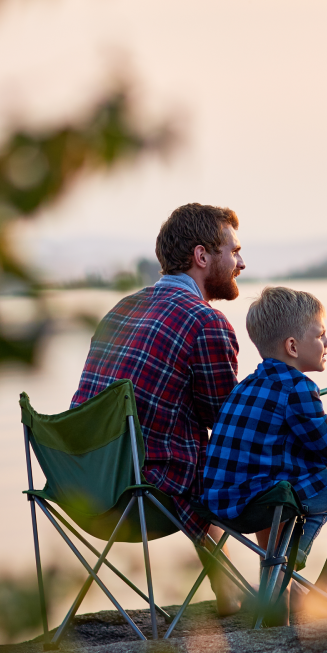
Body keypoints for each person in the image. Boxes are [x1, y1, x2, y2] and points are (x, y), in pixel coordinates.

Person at [71, 203, 245, 615]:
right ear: (202, 257)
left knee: (188, 451)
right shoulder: (206, 322)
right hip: (142, 497)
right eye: (234, 251)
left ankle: (230, 589)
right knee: (241, 457)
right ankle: (273, 591)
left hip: (82, 487)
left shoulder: (121, 309)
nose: (241, 262)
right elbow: (226, 428)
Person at [202, 286, 327, 619]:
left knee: (314, 475)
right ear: (293, 346)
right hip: (265, 505)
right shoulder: (299, 388)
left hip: (223, 508)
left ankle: (284, 580)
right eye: (321, 335)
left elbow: (284, 442)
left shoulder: (246, 386)